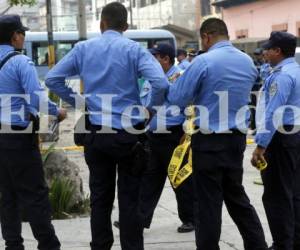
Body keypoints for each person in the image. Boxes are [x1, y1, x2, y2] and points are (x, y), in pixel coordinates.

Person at [45, 2, 169, 250]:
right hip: (129, 135)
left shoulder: (83, 49)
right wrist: (148, 110)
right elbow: (161, 84)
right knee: (130, 199)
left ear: (101, 23)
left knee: (100, 198)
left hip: (95, 133)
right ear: (126, 26)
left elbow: (53, 79)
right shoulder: (134, 50)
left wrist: (79, 102)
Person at [167, 18, 268, 250]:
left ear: (207, 37)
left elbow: (178, 98)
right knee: (236, 196)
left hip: (209, 141)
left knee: (207, 203)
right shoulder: (247, 62)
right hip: (236, 140)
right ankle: (257, 245)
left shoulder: (203, 62)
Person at [0, 14, 66, 250]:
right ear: (15, 36)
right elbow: (37, 98)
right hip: (18, 137)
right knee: (35, 194)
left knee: (7, 195)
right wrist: (57, 111)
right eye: (22, 33)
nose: (23, 37)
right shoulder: (20, 62)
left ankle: (13, 245)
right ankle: (48, 245)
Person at [137, 43, 194, 233]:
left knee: (179, 178)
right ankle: (139, 218)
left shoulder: (180, 78)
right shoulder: (152, 79)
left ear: (166, 59)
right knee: (150, 178)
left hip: (173, 135)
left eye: (155, 58)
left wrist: (187, 133)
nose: (151, 62)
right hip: (153, 135)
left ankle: (191, 218)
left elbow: (191, 107)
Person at [252, 31, 300, 250]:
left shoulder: (282, 75)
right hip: (296, 135)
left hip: (281, 138)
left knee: (276, 195)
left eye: (268, 49)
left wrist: (260, 145)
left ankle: (282, 244)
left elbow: (274, 112)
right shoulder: (296, 70)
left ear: (278, 51)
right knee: (294, 192)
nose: (265, 53)